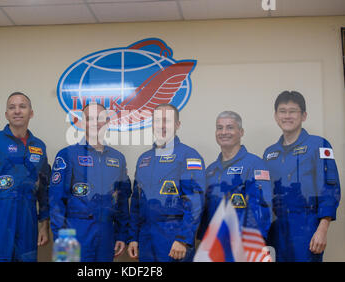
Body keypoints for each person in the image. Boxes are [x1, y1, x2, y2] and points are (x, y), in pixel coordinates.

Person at [0, 92, 50, 262]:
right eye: (12, 107)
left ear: (31, 112)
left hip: (28, 219)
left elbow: (43, 190)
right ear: (6, 114)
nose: (17, 111)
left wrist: (44, 225)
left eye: (22, 106)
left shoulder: (39, 147)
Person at [264, 91, 341, 262]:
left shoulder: (318, 145)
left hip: (306, 228)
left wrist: (322, 229)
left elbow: (330, 188)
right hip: (275, 230)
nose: (287, 115)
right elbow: (264, 195)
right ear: (276, 116)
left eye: (293, 111)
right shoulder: (270, 153)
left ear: (304, 115)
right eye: (282, 111)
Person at [49, 103, 131, 262]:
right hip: (74, 231)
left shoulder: (117, 158)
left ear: (107, 121)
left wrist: (121, 235)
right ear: (81, 122)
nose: (95, 123)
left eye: (99, 118)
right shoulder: (67, 155)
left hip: (106, 233)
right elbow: (56, 201)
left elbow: (121, 202)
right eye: (89, 119)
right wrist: (62, 239)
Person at [127, 103, 205, 262]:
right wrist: (133, 237)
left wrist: (183, 238)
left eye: (167, 121)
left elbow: (195, 201)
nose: (161, 125)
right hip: (146, 237)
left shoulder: (188, 156)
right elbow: (136, 203)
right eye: (157, 120)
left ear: (177, 125)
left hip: (174, 238)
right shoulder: (144, 159)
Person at [197, 111, 272, 242]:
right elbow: (205, 213)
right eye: (219, 128)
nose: (224, 132)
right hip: (213, 247)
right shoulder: (210, 170)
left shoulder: (254, 165)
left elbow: (262, 209)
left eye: (230, 127)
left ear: (241, 132)